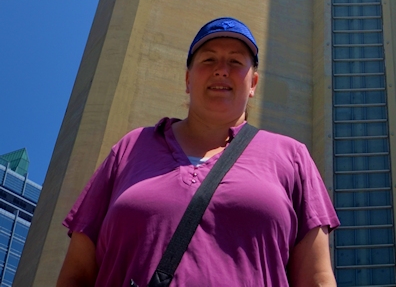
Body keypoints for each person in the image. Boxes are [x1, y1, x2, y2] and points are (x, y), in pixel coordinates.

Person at [56, 17, 338, 287]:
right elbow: (76, 274)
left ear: (252, 84)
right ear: (188, 79)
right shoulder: (131, 148)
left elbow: (317, 279)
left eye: (236, 62)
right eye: (209, 59)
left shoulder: (292, 156)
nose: (221, 69)